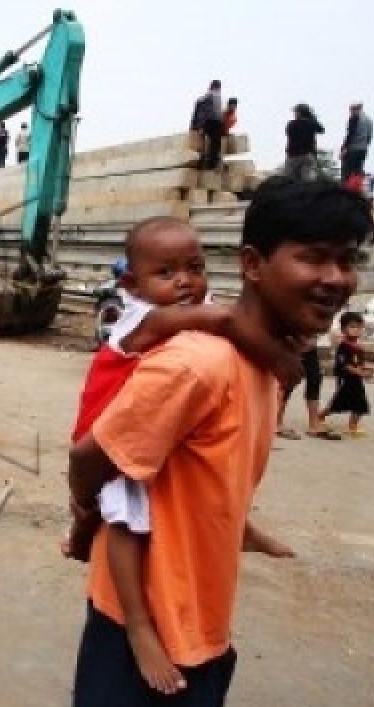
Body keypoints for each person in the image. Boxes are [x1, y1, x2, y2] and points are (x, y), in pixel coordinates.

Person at [68, 176, 370, 707]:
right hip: (150, 619)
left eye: (346, 260)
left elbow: (212, 476)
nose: (334, 278)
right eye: (312, 256)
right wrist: (86, 512)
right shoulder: (197, 363)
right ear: (254, 264)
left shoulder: (263, 363)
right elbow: (87, 458)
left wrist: (237, 525)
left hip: (201, 614)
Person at [60, 216, 301, 563]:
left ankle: (241, 528)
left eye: (195, 268)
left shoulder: (175, 307)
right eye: (166, 274)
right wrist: (280, 360)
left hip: (140, 421)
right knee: (112, 510)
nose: (185, 282)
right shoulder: (146, 318)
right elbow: (222, 320)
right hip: (102, 428)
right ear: (132, 284)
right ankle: (82, 544)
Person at [320, 311, 372, 437]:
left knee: (360, 403)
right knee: (337, 402)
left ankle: (352, 426)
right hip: (346, 380)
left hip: (356, 379)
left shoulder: (357, 346)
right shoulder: (344, 346)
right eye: (352, 327)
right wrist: (359, 372)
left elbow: (359, 363)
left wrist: (366, 368)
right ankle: (320, 416)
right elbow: (344, 365)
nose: (357, 330)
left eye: (359, 327)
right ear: (343, 329)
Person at [275, 343, 340, 440]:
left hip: (309, 348)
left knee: (315, 379)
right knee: (288, 382)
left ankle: (314, 425)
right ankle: (277, 424)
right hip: (291, 346)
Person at [282, 103, 324, 182]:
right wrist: (312, 118)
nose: (294, 114)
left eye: (295, 112)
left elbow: (288, 133)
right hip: (307, 155)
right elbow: (321, 129)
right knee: (307, 183)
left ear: (299, 112)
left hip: (293, 155)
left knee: (288, 182)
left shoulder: (291, 124)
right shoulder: (311, 123)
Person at [190, 80, 224, 170]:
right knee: (212, 144)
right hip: (211, 122)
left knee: (211, 144)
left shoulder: (213, 96)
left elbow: (198, 108)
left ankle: (209, 162)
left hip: (213, 122)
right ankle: (209, 163)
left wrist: (195, 124)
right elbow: (200, 108)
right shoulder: (210, 96)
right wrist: (198, 124)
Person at [340, 102, 373, 182]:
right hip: (363, 149)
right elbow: (369, 136)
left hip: (353, 149)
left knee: (347, 171)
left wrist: (344, 148)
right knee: (358, 170)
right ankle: (356, 189)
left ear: (355, 109)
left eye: (351, 110)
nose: (350, 112)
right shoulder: (369, 120)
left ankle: (345, 190)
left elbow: (350, 134)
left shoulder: (354, 117)